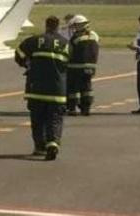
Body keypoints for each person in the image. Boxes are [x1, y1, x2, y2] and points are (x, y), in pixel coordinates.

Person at [15, 15, 69, 160]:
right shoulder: (65, 43)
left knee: (37, 120)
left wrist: (26, 64)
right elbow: (71, 65)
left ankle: (40, 147)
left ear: (46, 25)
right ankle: (53, 143)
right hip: (57, 90)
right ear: (58, 26)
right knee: (55, 118)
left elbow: (19, 53)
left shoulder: (34, 40)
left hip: (36, 88)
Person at [66, 15, 100, 116]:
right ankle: (86, 108)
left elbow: (70, 52)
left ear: (81, 25)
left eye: (76, 26)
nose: (74, 28)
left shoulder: (76, 38)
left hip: (75, 67)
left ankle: (72, 108)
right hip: (91, 67)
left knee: (73, 88)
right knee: (87, 87)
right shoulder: (94, 35)